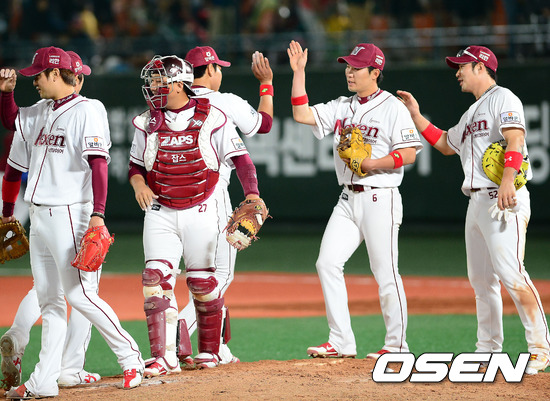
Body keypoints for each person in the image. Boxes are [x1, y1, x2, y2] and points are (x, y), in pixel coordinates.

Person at [0, 46, 144, 398]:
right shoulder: (40, 110)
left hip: (70, 213)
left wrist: (98, 214)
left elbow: (98, 164)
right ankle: (44, 381)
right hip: (39, 215)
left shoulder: (88, 109)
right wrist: (6, 94)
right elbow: (11, 121)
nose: (34, 80)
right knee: (50, 302)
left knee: (80, 295)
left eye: (39, 75)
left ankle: (131, 356)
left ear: (55, 74)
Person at [397, 45, 550, 374]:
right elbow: (445, 144)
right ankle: (488, 350)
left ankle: (540, 349)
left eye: (462, 66)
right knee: (481, 281)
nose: (457, 72)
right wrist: (416, 115)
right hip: (477, 202)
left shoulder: (503, 98)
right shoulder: (471, 113)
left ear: (481, 67)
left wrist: (507, 181)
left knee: (512, 274)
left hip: (503, 199)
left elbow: (515, 139)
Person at [128, 54, 264, 373]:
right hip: (160, 209)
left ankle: (210, 350)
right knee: (154, 280)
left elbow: (242, 160)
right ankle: (163, 356)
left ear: (178, 84)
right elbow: (135, 166)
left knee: (202, 282)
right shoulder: (146, 122)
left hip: (202, 208)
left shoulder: (213, 117)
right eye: (152, 81)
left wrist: (253, 194)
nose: (153, 87)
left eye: (160, 81)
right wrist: (138, 185)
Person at [287, 40, 422, 359]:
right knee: (327, 263)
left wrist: (372, 163)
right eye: (348, 66)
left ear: (375, 72)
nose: (349, 72)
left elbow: (408, 154)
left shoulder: (392, 107)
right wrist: (298, 73)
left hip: (380, 197)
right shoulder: (342, 106)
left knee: (385, 272)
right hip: (348, 198)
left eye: (357, 67)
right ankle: (341, 341)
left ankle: (397, 346)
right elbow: (301, 114)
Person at [167, 45, 273, 368]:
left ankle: (218, 348)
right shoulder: (224, 102)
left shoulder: (175, 102)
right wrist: (266, 84)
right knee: (220, 276)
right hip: (212, 198)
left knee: (198, 274)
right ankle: (179, 327)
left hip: (171, 201)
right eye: (218, 68)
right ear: (211, 70)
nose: (220, 73)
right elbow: (264, 124)